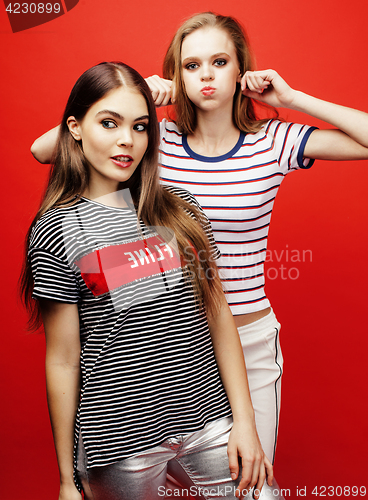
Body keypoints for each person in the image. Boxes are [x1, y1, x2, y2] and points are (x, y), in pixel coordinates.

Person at [30, 10, 368, 487]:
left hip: (244, 339)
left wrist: (292, 99)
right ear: (176, 75)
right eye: (191, 66)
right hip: (159, 344)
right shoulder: (152, 137)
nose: (206, 75)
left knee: (249, 483)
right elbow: (47, 150)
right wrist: (139, 94)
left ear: (241, 70)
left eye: (219, 62)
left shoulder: (273, 141)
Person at [21, 61, 278, 500]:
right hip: (118, 447)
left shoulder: (180, 210)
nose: (127, 140)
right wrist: (67, 479)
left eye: (140, 126)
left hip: (209, 421)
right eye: (109, 123)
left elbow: (219, 318)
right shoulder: (59, 229)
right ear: (75, 129)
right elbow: (63, 359)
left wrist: (246, 424)